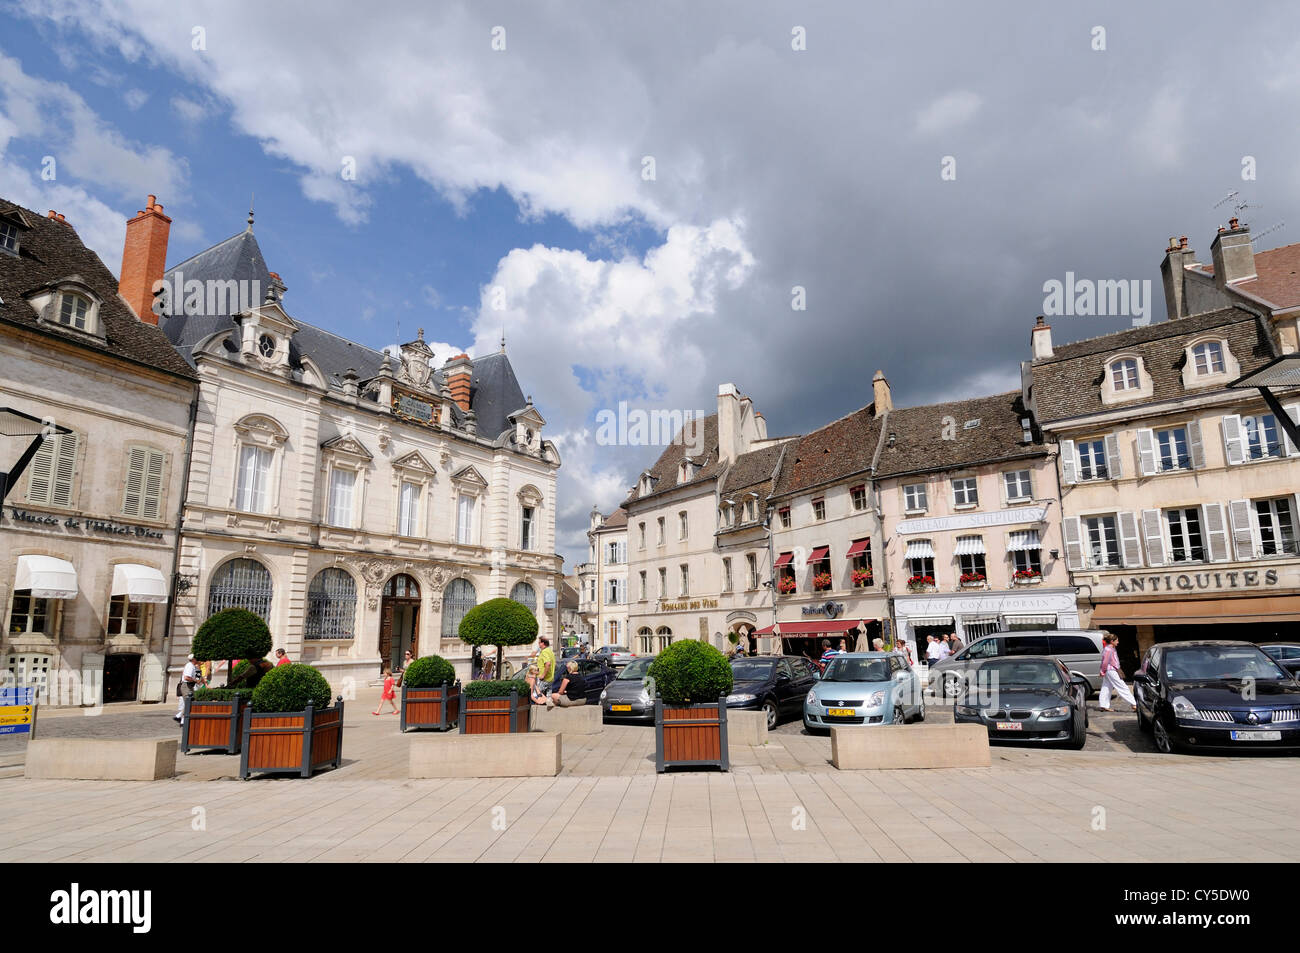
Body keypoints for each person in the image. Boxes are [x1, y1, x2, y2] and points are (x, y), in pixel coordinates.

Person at [1099, 633, 1137, 712]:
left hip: (1110, 670)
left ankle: (1103, 705)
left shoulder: (1110, 648)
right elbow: (1105, 662)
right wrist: (1102, 671)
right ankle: (1134, 704)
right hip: (1111, 670)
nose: (1118, 642)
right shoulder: (1108, 649)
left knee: (1106, 687)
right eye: (1117, 640)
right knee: (1122, 686)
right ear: (1112, 641)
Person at [175, 653, 204, 724]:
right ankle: (182, 720)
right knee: (189, 703)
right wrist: (195, 680)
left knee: (190, 702)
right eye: (197, 658)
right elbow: (187, 677)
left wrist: (197, 679)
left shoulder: (193, 666)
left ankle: (179, 717)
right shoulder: (190, 666)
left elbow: (197, 678)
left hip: (190, 686)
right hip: (186, 686)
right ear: (194, 659)